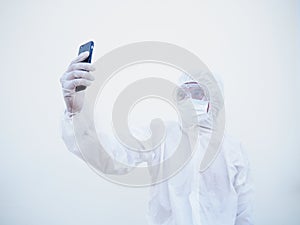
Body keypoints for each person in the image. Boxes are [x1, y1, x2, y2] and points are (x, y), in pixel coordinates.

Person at [60, 51, 253, 225]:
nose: (187, 99)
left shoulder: (233, 151)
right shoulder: (161, 136)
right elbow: (110, 156)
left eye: (196, 92)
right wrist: (77, 113)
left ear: (214, 98)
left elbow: (243, 215)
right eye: (181, 94)